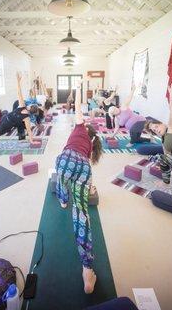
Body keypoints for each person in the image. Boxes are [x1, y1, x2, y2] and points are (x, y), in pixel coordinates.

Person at [55, 79, 103, 294]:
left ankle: (63, 198)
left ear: (85, 127)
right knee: (81, 213)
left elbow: (78, 107)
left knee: (61, 181)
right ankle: (87, 270)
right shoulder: (91, 146)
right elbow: (87, 175)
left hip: (66, 159)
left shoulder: (79, 127)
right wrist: (89, 189)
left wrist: (78, 88)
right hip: (83, 167)